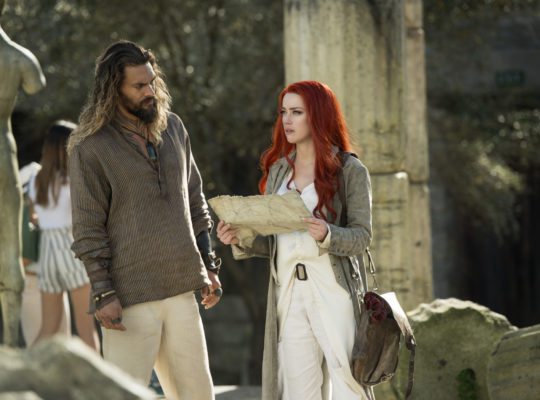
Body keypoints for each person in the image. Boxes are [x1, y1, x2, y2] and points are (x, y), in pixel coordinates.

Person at [67, 40, 222, 400]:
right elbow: (88, 227)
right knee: (122, 396)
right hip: (128, 298)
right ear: (113, 89)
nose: (150, 92)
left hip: (182, 287)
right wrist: (103, 292)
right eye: (139, 86)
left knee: (199, 395)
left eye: (152, 82)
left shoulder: (174, 129)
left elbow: (194, 200)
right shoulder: (91, 147)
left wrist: (209, 264)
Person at [217, 81, 375, 400]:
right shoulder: (278, 171)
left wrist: (328, 234)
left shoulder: (349, 169)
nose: (287, 120)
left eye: (297, 112)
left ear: (318, 115)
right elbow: (278, 242)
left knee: (350, 385)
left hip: (332, 288)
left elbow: (362, 236)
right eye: (284, 112)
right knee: (297, 390)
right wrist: (241, 239)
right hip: (289, 291)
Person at [28, 121, 99, 352]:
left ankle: (23, 370)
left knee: (48, 330)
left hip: (47, 254)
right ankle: (95, 377)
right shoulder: (74, 180)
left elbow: (34, 217)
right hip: (72, 251)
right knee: (87, 331)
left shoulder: (36, 180)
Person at [0, 0, 46, 347]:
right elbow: (35, 84)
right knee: (9, 247)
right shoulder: (19, 58)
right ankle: (11, 343)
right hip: (3, 153)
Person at [19, 162, 70, 347]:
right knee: (45, 348)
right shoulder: (26, 212)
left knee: (58, 348)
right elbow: (25, 258)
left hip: (47, 282)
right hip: (36, 283)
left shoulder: (41, 210)